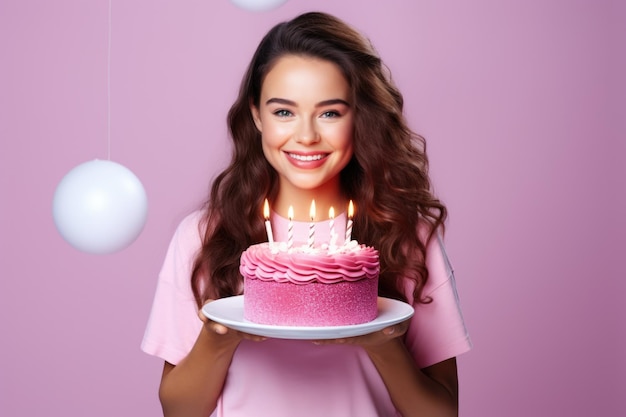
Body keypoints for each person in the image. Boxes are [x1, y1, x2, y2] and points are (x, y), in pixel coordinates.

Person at [142, 11, 471, 417]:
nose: (307, 135)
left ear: (359, 117)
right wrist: (219, 338)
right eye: (284, 112)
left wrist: (382, 342)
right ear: (256, 115)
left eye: (330, 112)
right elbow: (179, 411)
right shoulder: (204, 236)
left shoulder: (406, 235)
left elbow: (442, 413)